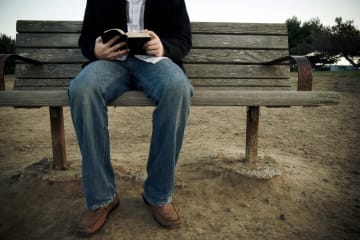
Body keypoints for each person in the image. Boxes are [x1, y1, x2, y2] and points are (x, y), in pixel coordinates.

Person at [68, 0, 193, 236]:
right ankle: (101, 197)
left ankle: (158, 194)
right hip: (110, 64)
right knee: (82, 90)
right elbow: (86, 38)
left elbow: (184, 39)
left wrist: (164, 47)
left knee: (177, 88)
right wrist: (95, 50)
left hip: (155, 63)